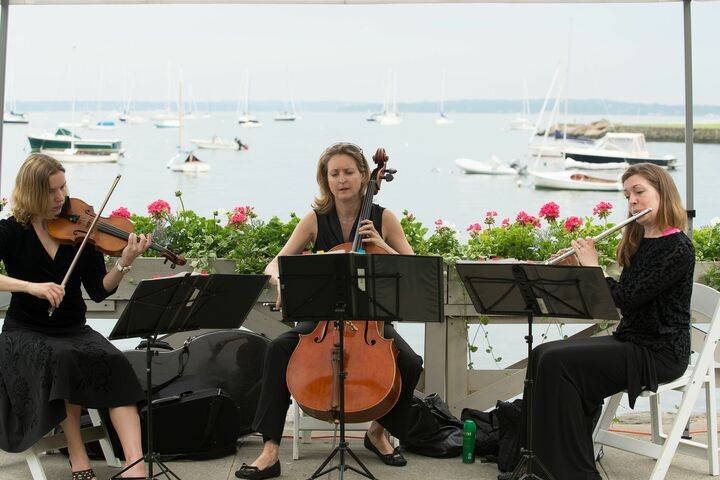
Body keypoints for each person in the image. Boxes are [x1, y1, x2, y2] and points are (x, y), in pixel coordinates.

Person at [235, 142, 423, 480]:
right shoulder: (315, 220)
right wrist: (280, 281)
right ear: (325, 179)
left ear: (365, 175)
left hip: (369, 323)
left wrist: (380, 244)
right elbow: (277, 261)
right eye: (333, 173)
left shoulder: (384, 218)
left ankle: (378, 432)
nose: (341, 179)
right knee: (278, 349)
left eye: (348, 172)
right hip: (322, 320)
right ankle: (270, 451)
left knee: (410, 363)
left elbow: (412, 270)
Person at [523, 162, 694, 480]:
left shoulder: (678, 248)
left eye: (640, 192)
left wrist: (595, 269)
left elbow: (627, 297)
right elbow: (617, 300)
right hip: (631, 340)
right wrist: (579, 269)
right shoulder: (642, 240)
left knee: (558, 363)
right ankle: (545, 461)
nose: (633, 201)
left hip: (659, 352)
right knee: (543, 354)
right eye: (628, 194)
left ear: (663, 192)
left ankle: (572, 471)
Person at [0, 154, 153, 480]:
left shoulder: (81, 230)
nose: (60, 198)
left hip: (72, 327)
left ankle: (135, 465)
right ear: (30, 193)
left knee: (115, 361)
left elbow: (99, 290)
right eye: (51, 191)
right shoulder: (11, 232)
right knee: (65, 360)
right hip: (25, 331)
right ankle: (78, 454)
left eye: (63, 187)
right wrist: (31, 287)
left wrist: (124, 262)